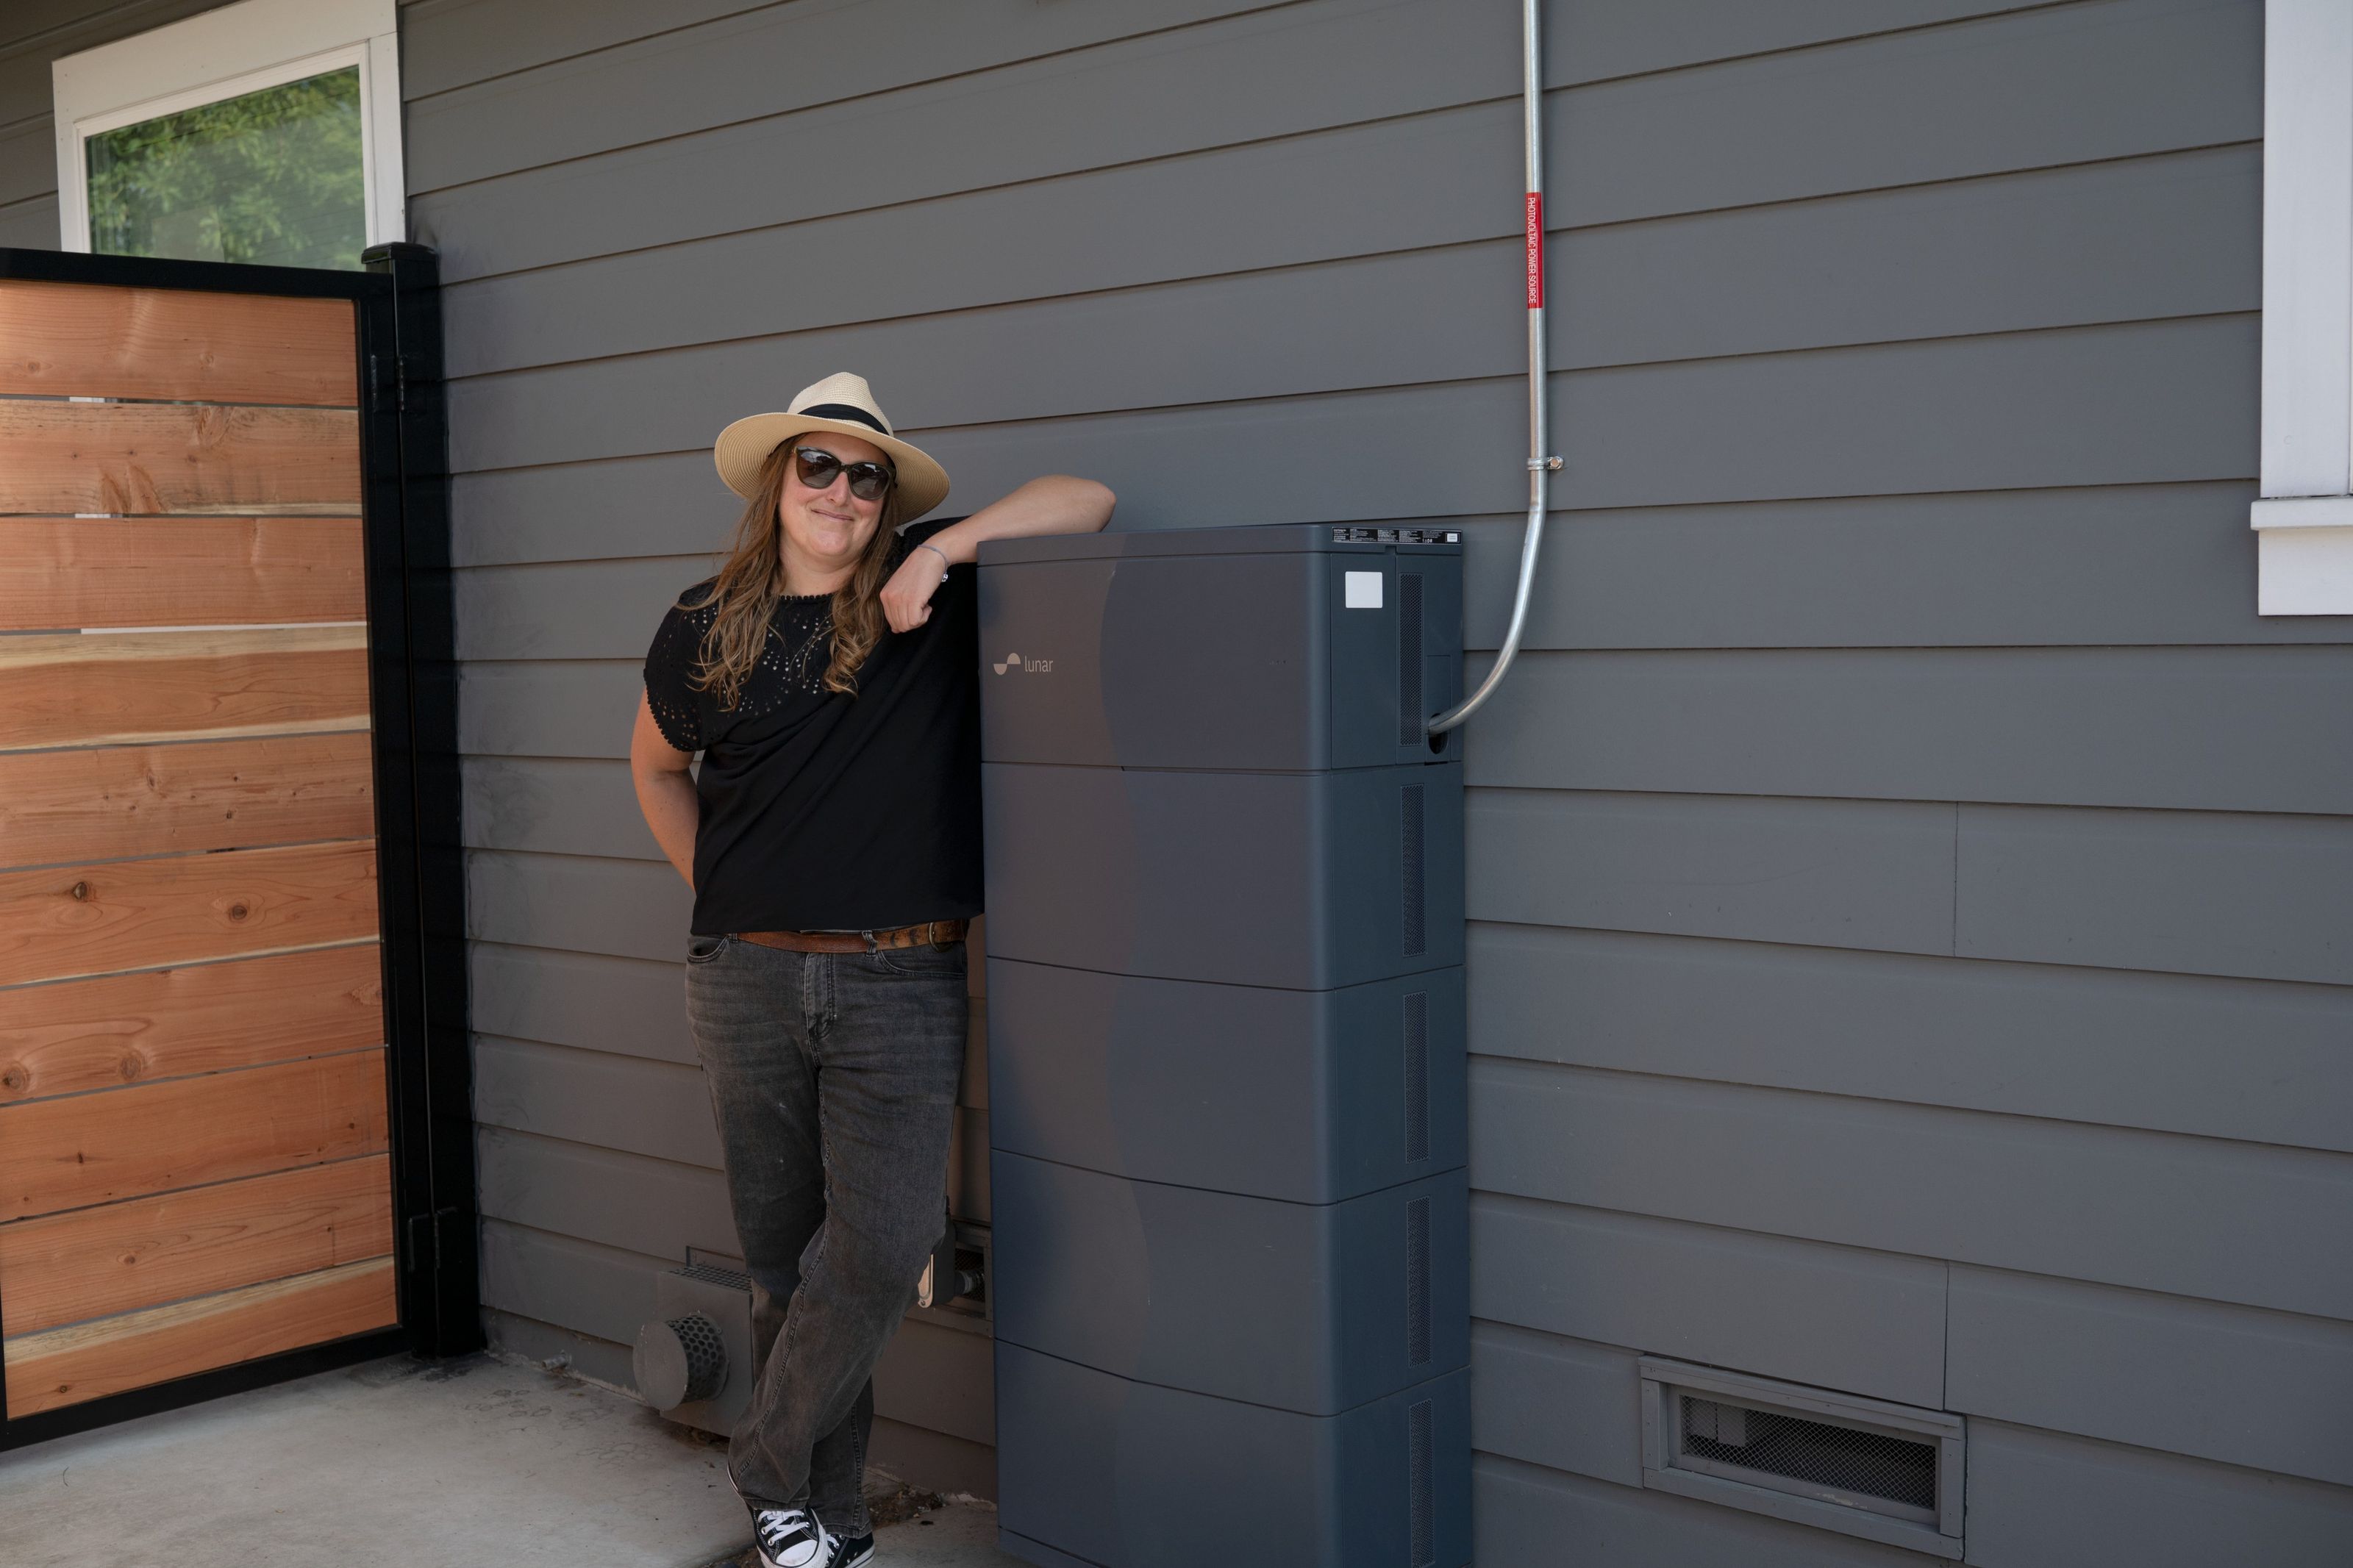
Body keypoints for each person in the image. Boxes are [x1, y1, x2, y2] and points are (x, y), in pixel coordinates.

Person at [629, 373, 1113, 1568]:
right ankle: (821, 1522)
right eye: (819, 466)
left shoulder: (932, 587)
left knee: (882, 1243)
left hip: (901, 983)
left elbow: (1089, 500)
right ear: (776, 480)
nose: (842, 490)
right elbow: (652, 770)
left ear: (887, 496)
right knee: (782, 1259)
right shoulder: (703, 623)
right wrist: (727, 893)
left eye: (866, 473)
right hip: (742, 980)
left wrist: (946, 556)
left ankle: (765, 1457)